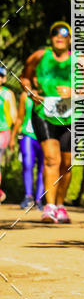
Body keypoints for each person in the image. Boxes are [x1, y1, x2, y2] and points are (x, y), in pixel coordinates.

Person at [20, 22, 75, 223]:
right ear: (50, 38)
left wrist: (73, 92)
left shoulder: (80, 61)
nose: (59, 37)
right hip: (43, 113)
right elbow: (24, 78)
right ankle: (49, 207)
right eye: (55, 33)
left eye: (64, 34)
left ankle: (61, 205)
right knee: (52, 160)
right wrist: (30, 92)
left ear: (70, 39)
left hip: (70, 115)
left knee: (67, 165)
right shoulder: (39, 56)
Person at [11, 91, 44, 210]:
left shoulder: (50, 94)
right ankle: (28, 196)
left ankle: (39, 199)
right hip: (28, 134)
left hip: (45, 136)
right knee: (27, 164)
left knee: (43, 168)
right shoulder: (26, 95)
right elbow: (20, 117)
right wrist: (12, 137)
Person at [0, 66, 17, 203]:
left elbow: (13, 115)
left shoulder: (7, 94)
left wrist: (13, 134)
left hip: (3, 130)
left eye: (0, 76)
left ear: (4, 78)